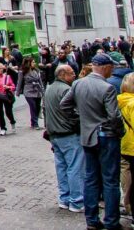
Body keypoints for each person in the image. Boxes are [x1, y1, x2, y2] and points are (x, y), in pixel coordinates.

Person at [60, 52, 124, 230]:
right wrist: (120, 132)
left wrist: (80, 119)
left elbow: (64, 105)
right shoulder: (107, 88)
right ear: (105, 67)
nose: (112, 70)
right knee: (110, 180)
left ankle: (92, 220)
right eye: (111, 67)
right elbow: (114, 117)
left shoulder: (79, 83)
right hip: (106, 137)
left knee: (91, 179)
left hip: (88, 136)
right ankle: (111, 221)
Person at [45, 64, 84, 214]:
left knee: (61, 168)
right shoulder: (66, 90)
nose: (74, 75)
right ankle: (76, 200)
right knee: (74, 167)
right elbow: (73, 112)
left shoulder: (49, 88)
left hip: (55, 133)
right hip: (67, 133)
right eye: (71, 73)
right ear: (63, 75)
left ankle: (64, 199)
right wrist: (77, 122)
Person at [118, 73, 134, 219]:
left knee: (125, 173)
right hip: (133, 145)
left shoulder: (119, 100)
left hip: (124, 144)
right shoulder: (132, 103)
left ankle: (127, 203)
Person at [17, 56, 45, 128]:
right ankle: (35, 124)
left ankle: (33, 122)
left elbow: (40, 81)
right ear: (28, 63)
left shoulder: (36, 71)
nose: (34, 63)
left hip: (37, 90)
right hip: (28, 91)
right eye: (33, 62)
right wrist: (17, 92)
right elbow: (19, 82)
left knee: (38, 107)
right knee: (33, 107)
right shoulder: (22, 72)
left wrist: (43, 90)